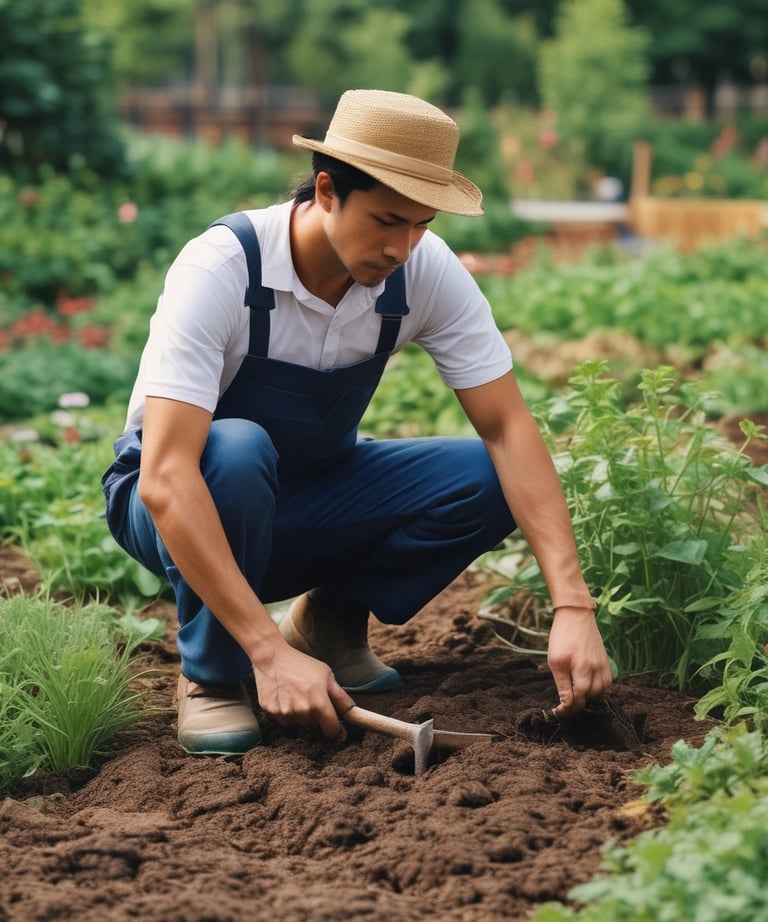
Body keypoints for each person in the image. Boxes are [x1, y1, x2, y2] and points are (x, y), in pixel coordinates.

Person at [102, 89, 612, 757]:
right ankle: (214, 676)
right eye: (387, 220)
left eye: (421, 224)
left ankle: (328, 624)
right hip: (178, 504)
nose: (402, 247)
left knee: (489, 475)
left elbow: (509, 428)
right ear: (326, 190)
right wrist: (265, 652)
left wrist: (573, 605)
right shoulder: (225, 268)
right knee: (234, 448)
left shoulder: (423, 274)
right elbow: (167, 478)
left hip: (310, 495)